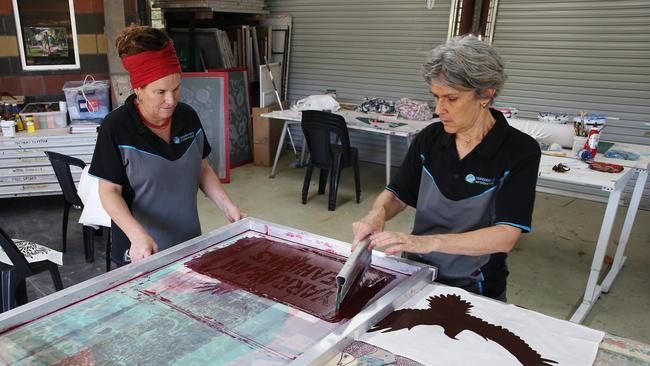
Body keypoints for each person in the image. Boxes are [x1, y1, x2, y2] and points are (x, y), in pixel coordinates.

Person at [352, 35, 541, 301]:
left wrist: (427, 242)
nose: (439, 109)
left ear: (486, 93)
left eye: (451, 98)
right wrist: (377, 214)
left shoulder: (520, 151)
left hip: (476, 284)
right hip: (416, 270)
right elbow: (398, 194)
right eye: (435, 97)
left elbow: (505, 236)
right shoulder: (430, 138)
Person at [90, 25, 244, 265]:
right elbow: (109, 192)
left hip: (189, 244)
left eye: (176, 88)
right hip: (141, 251)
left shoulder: (187, 117)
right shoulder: (117, 127)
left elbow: (201, 168)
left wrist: (229, 208)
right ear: (138, 89)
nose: (171, 100)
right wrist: (137, 235)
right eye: (160, 92)